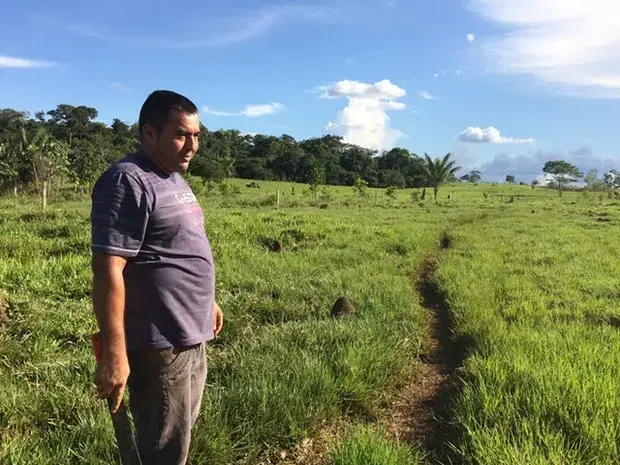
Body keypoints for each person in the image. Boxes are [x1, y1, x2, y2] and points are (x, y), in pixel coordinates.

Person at [90, 89, 223, 465]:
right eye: (182, 134)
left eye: (197, 136)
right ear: (150, 133)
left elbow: (177, 247)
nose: (192, 146)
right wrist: (115, 352)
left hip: (190, 334)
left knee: (176, 443)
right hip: (161, 344)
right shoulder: (127, 181)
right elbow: (108, 269)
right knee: (163, 452)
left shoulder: (172, 177)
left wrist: (206, 300)